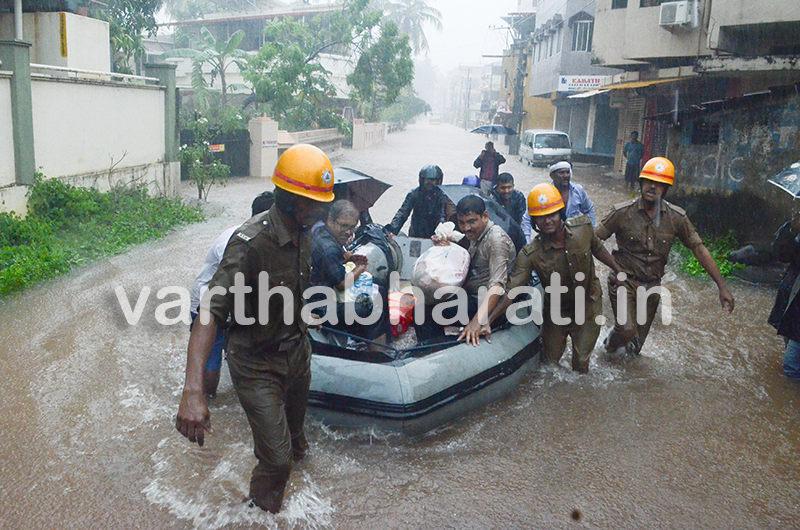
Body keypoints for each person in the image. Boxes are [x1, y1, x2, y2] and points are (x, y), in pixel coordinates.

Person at [175, 144, 334, 514]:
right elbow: (209, 312)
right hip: (256, 364)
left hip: (297, 353)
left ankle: (294, 488)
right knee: (278, 461)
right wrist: (193, 392)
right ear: (292, 199)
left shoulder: (307, 230)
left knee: (297, 443)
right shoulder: (250, 243)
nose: (323, 208)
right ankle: (258, 516)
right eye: (316, 201)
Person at [465, 184, 621, 371]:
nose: (547, 221)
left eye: (552, 215)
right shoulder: (531, 254)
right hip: (556, 312)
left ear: (561, 214)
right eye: (540, 218)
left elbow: (598, 249)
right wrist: (486, 321)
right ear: (533, 222)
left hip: (588, 306)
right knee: (549, 364)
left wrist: (618, 270)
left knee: (580, 365)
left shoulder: (583, 228)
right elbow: (511, 291)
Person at [595, 156, 735, 357]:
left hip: (652, 286)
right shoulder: (621, 212)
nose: (653, 187)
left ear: (666, 189)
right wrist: (605, 268)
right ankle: (607, 348)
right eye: (649, 182)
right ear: (641, 183)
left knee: (635, 349)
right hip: (623, 281)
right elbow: (593, 240)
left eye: (659, 184)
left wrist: (722, 286)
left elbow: (699, 249)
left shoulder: (676, 218)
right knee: (625, 330)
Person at [188, 191, 274, 397]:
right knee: (209, 375)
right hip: (209, 304)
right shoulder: (235, 241)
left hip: (238, 307)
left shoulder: (267, 241)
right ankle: (202, 400)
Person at [310, 200, 388, 344]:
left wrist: (348, 258)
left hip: (324, 289)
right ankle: (379, 357)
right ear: (330, 221)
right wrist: (361, 267)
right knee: (373, 310)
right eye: (343, 226)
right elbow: (342, 284)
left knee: (381, 288)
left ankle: (368, 339)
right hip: (320, 305)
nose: (348, 232)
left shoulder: (319, 229)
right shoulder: (329, 248)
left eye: (352, 227)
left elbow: (328, 262)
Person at [454, 195, 517, 344]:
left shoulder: (496, 240)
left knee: (427, 312)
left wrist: (478, 320)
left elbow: (497, 285)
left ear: (485, 216)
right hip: (473, 294)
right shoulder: (476, 235)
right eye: (461, 223)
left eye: (471, 222)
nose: (465, 228)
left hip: (488, 302)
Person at [768, 213, 800, 379]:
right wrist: (790, 229)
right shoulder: (795, 229)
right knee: (790, 347)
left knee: (791, 365)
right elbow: (782, 255)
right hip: (792, 303)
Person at [386, 165, 447, 238]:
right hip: (416, 234)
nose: (429, 183)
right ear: (422, 180)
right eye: (427, 180)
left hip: (435, 236)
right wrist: (392, 231)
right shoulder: (414, 194)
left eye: (433, 180)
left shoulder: (442, 196)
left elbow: (442, 216)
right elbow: (402, 213)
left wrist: (440, 234)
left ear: (438, 181)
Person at [549, 161, 596, 226]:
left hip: (574, 232)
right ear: (552, 176)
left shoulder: (578, 190)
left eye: (567, 172)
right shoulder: (546, 193)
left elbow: (589, 209)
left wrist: (592, 228)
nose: (565, 176)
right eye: (561, 173)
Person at [492, 172, 532, 242]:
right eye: (503, 188)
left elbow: (522, 220)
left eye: (509, 187)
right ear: (497, 187)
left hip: (515, 231)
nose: (506, 191)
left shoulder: (519, 197)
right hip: (497, 234)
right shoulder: (491, 199)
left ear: (513, 186)